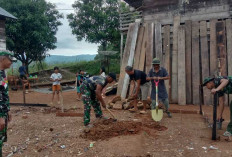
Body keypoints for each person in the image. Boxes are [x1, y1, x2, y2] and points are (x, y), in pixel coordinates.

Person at [0, 50, 17, 156]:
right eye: (10, 60)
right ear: (2, 59)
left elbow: (3, 94)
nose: (12, 62)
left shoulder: (2, 74)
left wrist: (8, 110)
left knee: (1, 139)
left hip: (3, 112)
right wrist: (0, 116)